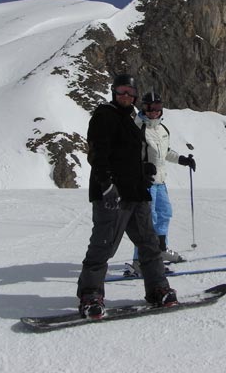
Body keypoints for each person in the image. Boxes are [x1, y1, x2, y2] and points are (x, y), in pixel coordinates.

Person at [77, 74, 177, 319]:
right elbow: (98, 154)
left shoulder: (131, 120)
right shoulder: (104, 115)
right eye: (122, 91)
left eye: (131, 93)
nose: (126, 96)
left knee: (149, 243)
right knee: (103, 246)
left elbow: (129, 155)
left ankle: (157, 289)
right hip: (113, 194)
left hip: (136, 193)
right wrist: (107, 185)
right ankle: (91, 296)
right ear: (113, 91)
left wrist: (144, 171)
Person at [127, 91, 196, 276]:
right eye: (150, 108)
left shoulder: (162, 129)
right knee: (146, 222)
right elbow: (130, 156)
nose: (154, 112)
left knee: (164, 214)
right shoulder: (138, 128)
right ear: (143, 108)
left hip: (160, 182)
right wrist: (141, 170)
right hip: (145, 183)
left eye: (157, 108)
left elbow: (165, 152)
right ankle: (139, 261)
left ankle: (160, 250)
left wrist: (183, 160)